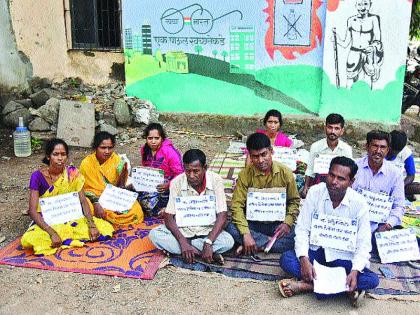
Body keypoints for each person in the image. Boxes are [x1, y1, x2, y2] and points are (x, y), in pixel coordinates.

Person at [279, 157, 379, 307]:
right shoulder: (315, 192)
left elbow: (364, 243)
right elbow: (302, 228)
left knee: (372, 280)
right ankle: (345, 289)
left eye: (341, 178)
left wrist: (355, 271)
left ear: (351, 182)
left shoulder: (359, 204)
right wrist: (304, 259)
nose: (334, 181)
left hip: (343, 259)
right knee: (287, 259)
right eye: (331, 175)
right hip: (316, 253)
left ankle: (307, 286)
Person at [21, 139, 114, 256]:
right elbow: (33, 211)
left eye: (63, 154)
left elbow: (83, 201)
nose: (60, 158)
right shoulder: (37, 176)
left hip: (70, 217)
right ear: (48, 156)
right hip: (49, 220)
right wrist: (51, 232)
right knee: (31, 238)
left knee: (104, 229)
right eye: (55, 154)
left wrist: (91, 225)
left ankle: (65, 238)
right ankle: (60, 237)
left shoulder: (72, 173)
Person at [148, 149, 234, 263]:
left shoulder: (216, 180)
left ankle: (190, 251)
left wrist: (209, 242)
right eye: (188, 171)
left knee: (228, 241)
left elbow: (222, 214)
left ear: (205, 168)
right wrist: (182, 242)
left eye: (196, 171)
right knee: (154, 235)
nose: (191, 176)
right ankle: (201, 252)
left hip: (207, 231)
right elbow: (168, 217)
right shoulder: (176, 182)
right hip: (183, 231)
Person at [226, 133, 300, 255]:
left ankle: (254, 245)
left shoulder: (285, 173)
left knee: (298, 236)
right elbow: (237, 206)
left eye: (264, 154)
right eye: (255, 156)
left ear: (271, 151)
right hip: (253, 223)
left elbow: (294, 201)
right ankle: (267, 243)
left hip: (277, 224)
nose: (260, 160)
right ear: (249, 156)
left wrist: (287, 222)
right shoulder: (244, 175)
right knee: (231, 228)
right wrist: (246, 234)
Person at [80, 132, 144, 226]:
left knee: (136, 210)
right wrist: (96, 203)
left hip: (112, 196)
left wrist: (118, 202)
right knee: (88, 207)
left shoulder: (117, 161)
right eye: (103, 148)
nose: (107, 151)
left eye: (110, 148)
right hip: (94, 197)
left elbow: (120, 186)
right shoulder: (86, 164)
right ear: (96, 148)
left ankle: (109, 218)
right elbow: (85, 189)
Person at [352, 130, 405, 234]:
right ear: (367, 147)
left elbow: (399, 206)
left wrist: (388, 224)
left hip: (380, 228)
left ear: (388, 150)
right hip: (353, 225)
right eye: (374, 146)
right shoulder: (353, 167)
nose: (378, 150)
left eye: (382, 147)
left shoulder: (395, 173)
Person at [301, 113, 352, 198]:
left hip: (338, 185)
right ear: (325, 128)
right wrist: (306, 187)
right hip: (318, 183)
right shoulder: (315, 146)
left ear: (342, 131)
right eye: (330, 127)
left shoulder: (346, 149)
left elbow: (349, 173)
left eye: (336, 128)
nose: (332, 131)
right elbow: (310, 169)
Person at [334, 0, 383, 88]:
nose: (363, 7)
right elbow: (345, 43)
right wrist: (336, 38)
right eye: (359, 4)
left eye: (365, 4)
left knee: (368, 78)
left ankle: (367, 99)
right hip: (354, 52)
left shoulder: (374, 19)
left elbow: (378, 39)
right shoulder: (351, 20)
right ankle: (347, 97)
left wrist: (372, 47)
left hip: (368, 53)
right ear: (356, 5)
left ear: (370, 5)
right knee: (350, 78)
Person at [138, 123, 183, 216]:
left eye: (156, 138)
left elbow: (180, 174)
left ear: (162, 138)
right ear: (146, 138)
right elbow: (146, 168)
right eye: (150, 138)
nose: (153, 142)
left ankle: (165, 209)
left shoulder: (169, 152)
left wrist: (168, 184)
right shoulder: (144, 150)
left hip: (168, 185)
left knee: (152, 201)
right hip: (152, 183)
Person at [386, 130, 420, 200]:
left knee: (416, 187)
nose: (393, 153)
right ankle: (405, 193)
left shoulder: (406, 153)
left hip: (397, 184)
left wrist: (399, 187)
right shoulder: (380, 148)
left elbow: (411, 176)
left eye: (397, 152)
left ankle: (404, 192)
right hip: (378, 182)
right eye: (391, 150)